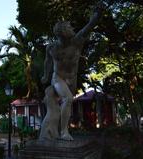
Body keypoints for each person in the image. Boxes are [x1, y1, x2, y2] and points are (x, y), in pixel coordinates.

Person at [41, 3, 105, 140]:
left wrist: (96, 16)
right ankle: (64, 132)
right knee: (68, 98)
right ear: (63, 31)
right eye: (69, 27)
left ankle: (56, 131)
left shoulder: (76, 42)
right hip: (57, 78)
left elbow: (88, 27)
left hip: (72, 79)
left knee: (66, 102)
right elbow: (47, 62)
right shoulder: (51, 48)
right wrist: (46, 76)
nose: (73, 28)